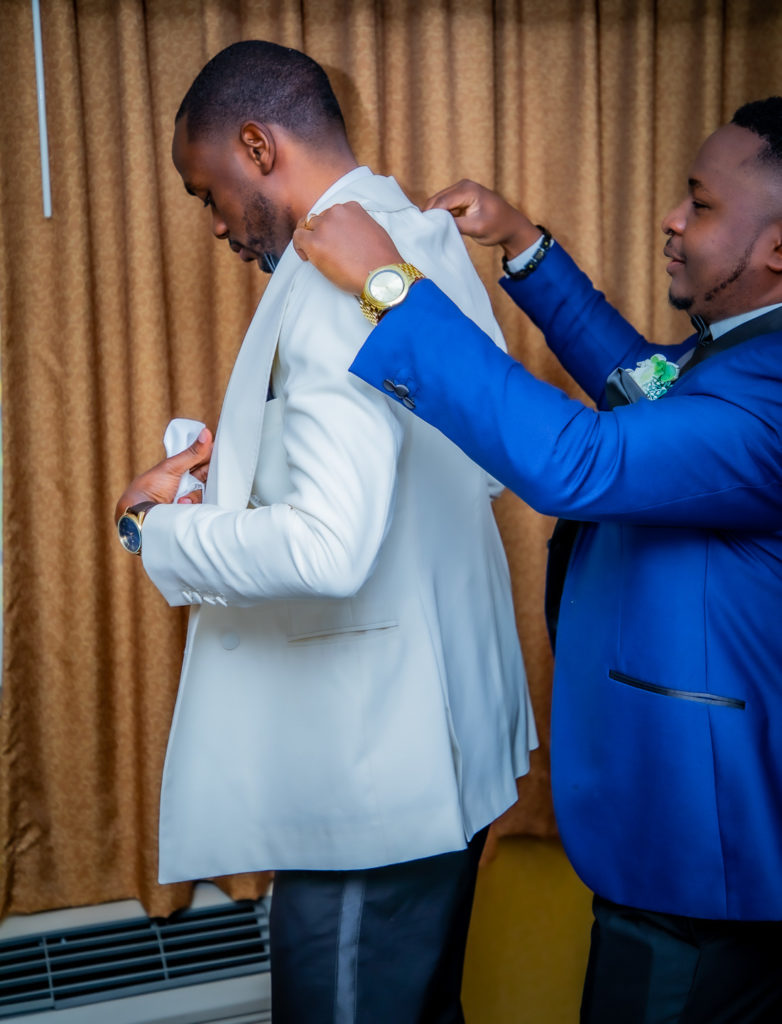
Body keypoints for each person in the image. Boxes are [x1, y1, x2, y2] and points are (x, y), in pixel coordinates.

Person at [293, 98, 782, 1022]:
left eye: (702, 205)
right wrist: (525, 248)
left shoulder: (773, 395)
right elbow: (644, 386)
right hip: (673, 852)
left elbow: (580, 459)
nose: (673, 220)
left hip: (700, 870)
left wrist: (390, 289)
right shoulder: (739, 358)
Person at [113, 40, 536, 1024]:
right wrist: (242, 466)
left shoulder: (333, 280)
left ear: (257, 145)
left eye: (207, 190)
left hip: (371, 782)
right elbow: (456, 468)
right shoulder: (413, 238)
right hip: (443, 752)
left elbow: (327, 547)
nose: (215, 222)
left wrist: (152, 528)